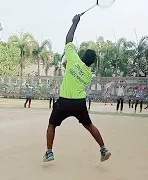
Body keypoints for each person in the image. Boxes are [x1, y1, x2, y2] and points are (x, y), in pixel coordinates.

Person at [43, 14, 111, 163]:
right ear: (92, 63)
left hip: (64, 101)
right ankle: (103, 149)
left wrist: (75, 22)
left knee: (52, 125)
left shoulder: (73, 58)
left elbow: (68, 39)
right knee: (89, 125)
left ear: (82, 55)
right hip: (79, 103)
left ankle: (49, 152)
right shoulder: (88, 75)